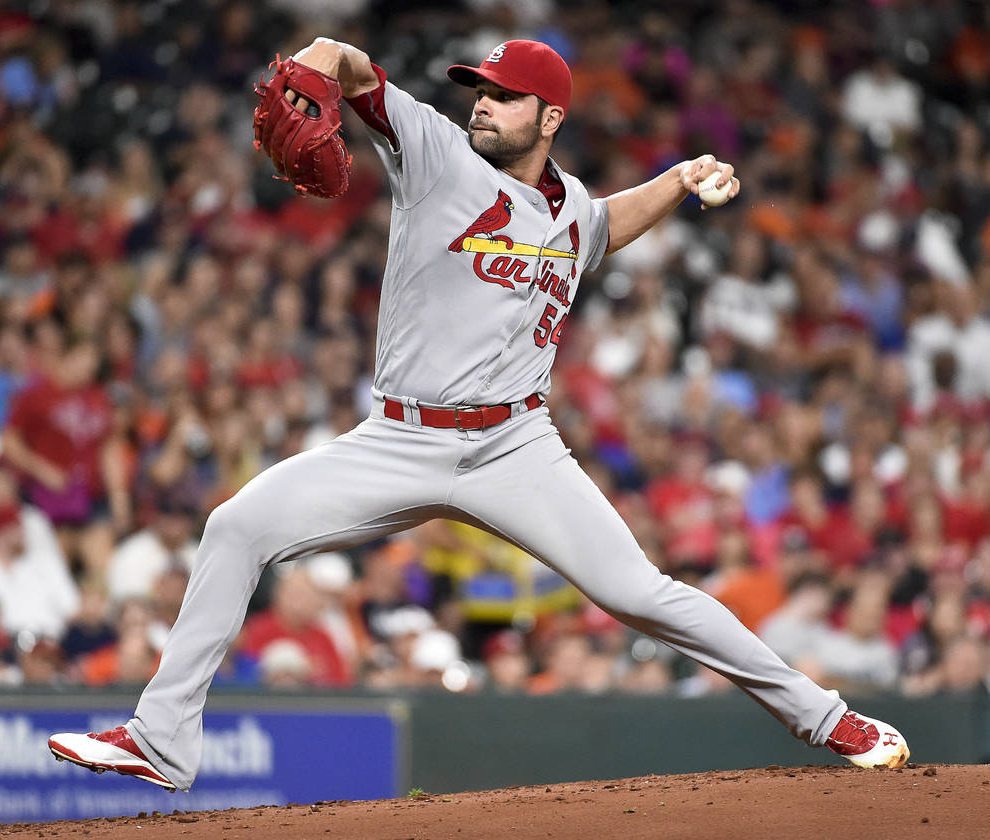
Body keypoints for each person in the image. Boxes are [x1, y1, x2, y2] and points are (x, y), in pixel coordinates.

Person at [48, 38, 908, 792]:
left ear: (551, 118)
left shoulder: (570, 208)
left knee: (643, 594)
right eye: (481, 90)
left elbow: (604, 225)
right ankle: (161, 740)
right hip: (399, 437)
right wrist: (316, 61)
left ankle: (826, 718)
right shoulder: (435, 153)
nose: (484, 105)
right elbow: (350, 68)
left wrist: (679, 181)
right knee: (235, 527)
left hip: (515, 446)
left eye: (505, 95)